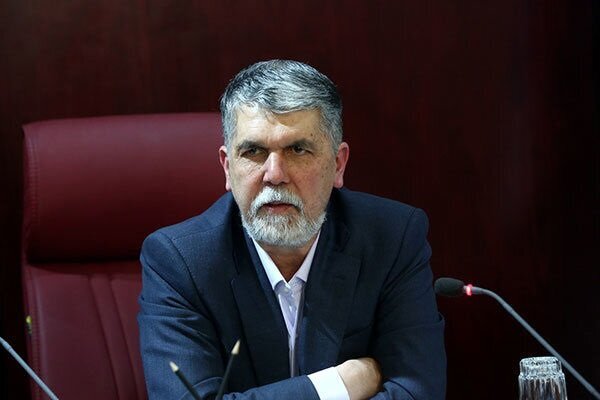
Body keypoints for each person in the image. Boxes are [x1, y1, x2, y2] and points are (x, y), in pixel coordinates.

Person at [138, 60, 446, 400]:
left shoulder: (392, 238)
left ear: (338, 164)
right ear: (227, 168)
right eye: (253, 151)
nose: (274, 175)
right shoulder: (180, 262)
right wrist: (339, 385)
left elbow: (417, 393)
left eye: (298, 149)